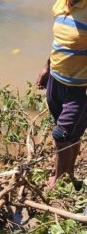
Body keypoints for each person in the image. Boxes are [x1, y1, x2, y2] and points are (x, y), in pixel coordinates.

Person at [36, 0, 86, 187]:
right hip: (56, 82)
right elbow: (59, 41)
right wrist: (46, 67)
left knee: (61, 135)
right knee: (71, 135)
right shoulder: (60, 4)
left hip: (79, 89)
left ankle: (59, 176)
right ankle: (69, 171)